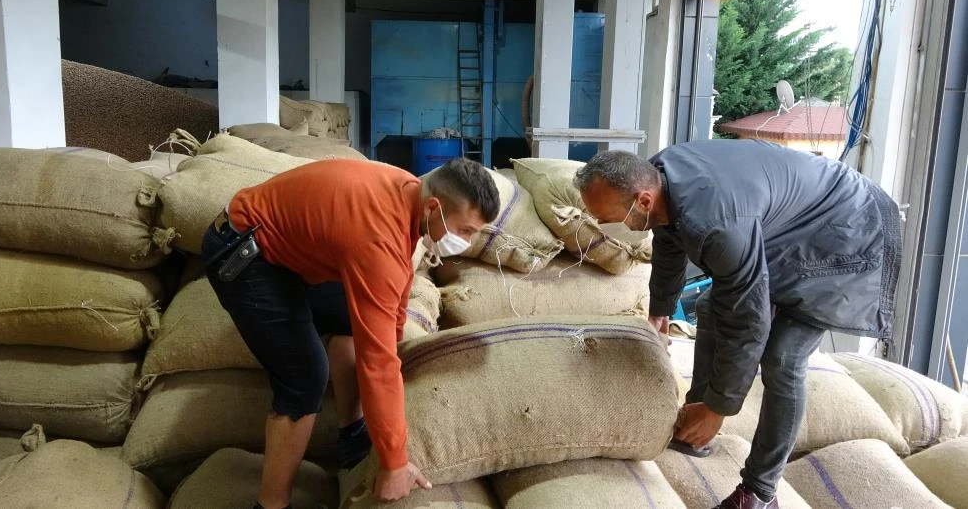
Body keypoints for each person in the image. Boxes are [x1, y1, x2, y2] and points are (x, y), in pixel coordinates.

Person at [573, 140, 900, 509]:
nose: (601, 224)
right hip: (795, 222)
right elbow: (667, 238)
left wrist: (720, 408)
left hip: (850, 230)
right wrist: (660, 308)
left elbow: (749, 322)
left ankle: (760, 492)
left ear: (643, 200)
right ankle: (695, 419)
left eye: (605, 217)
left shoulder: (717, 225)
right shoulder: (660, 176)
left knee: (782, 359)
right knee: (713, 306)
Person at [201, 158, 500, 509]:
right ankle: (270, 505)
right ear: (434, 207)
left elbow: (396, 283)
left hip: (284, 254)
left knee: (349, 316)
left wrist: (397, 335)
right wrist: (394, 463)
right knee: (306, 378)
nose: (468, 240)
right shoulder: (377, 240)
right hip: (243, 253)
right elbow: (377, 361)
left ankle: (351, 435)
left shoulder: (408, 193)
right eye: (465, 230)